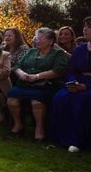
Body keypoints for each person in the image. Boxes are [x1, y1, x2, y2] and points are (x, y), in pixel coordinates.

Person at [6, 27, 69, 141]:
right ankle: (18, 124)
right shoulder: (31, 51)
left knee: (36, 102)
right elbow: (17, 66)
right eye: (36, 38)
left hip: (46, 84)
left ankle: (39, 129)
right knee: (12, 100)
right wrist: (21, 74)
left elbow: (58, 71)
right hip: (25, 83)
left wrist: (37, 76)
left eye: (41, 38)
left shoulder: (58, 54)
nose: (37, 41)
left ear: (50, 41)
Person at [49, 16, 91, 150]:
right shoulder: (80, 49)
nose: (85, 29)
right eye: (85, 26)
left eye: (89, 27)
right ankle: (60, 138)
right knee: (60, 98)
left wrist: (86, 86)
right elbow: (72, 70)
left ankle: (78, 141)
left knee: (81, 101)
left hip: (88, 85)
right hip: (78, 81)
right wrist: (72, 83)